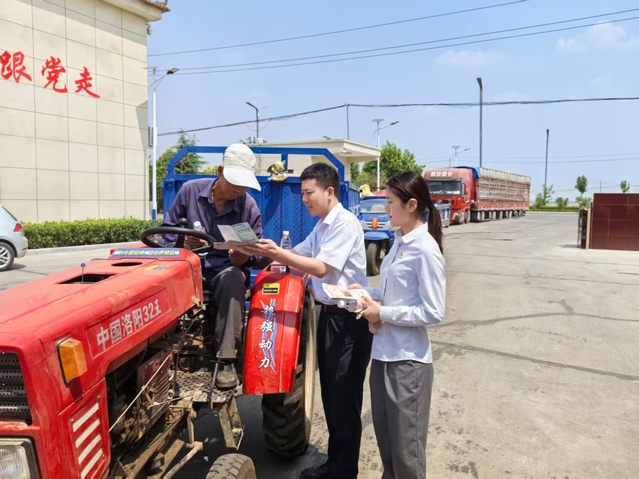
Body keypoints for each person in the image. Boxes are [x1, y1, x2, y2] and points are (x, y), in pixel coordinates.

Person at [241, 163, 372, 479]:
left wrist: (280, 254)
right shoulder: (323, 225)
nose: (304, 199)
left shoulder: (345, 224)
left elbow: (321, 267)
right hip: (330, 317)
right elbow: (299, 255)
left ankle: (343, 472)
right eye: (302, 193)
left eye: (308, 192)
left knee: (344, 400)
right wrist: (263, 253)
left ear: (329, 192)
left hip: (349, 322)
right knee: (332, 397)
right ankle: (335, 464)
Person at [349, 171, 445, 479]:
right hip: (383, 356)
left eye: (390, 202)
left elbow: (433, 311)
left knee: (407, 454)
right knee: (388, 447)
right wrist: (368, 294)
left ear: (411, 205)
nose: (385, 209)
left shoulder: (425, 249)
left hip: (408, 364)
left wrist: (383, 313)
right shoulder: (398, 242)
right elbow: (395, 295)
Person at [163, 143, 263, 389]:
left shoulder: (248, 206)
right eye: (234, 182)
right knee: (157, 281)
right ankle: (161, 351)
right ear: (220, 171)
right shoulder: (190, 191)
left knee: (233, 277)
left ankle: (226, 359)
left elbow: (258, 252)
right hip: (188, 268)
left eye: (244, 185)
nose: (238, 189)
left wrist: (245, 257)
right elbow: (165, 233)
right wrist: (183, 241)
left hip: (223, 270)